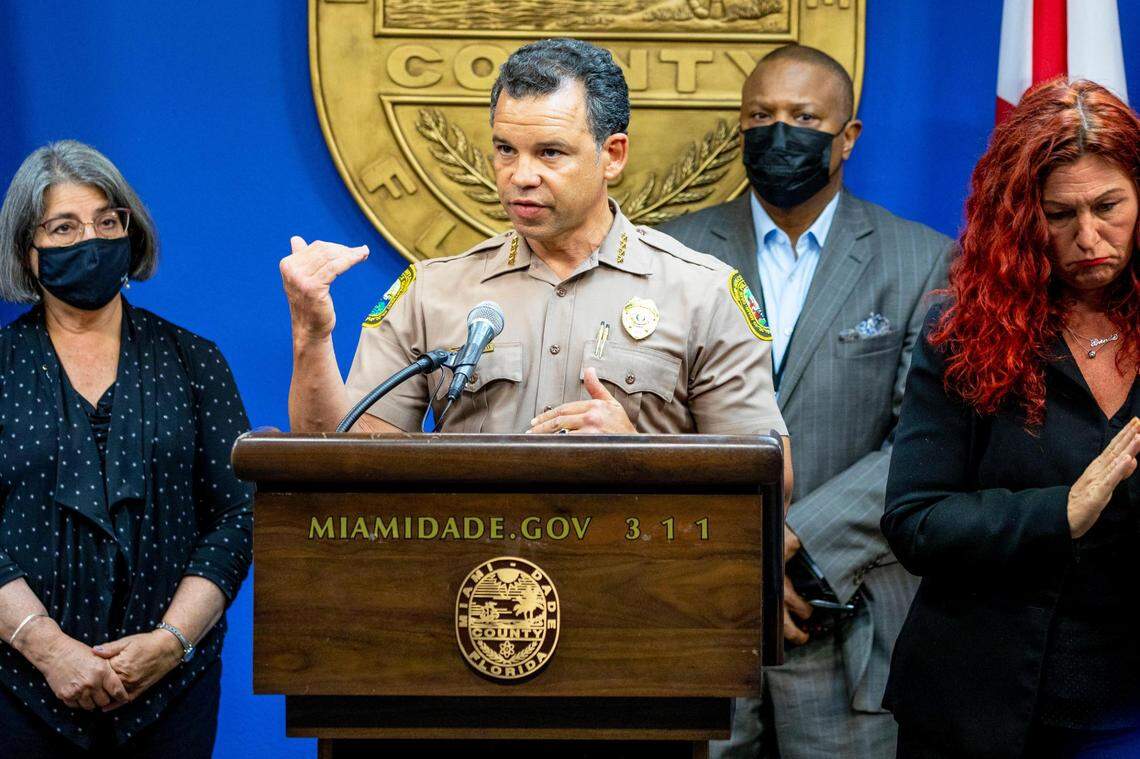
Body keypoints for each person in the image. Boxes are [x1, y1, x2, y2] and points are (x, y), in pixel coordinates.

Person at [281, 38, 788, 461]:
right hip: (470, 575)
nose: (520, 176)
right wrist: (311, 334)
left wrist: (639, 455)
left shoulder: (704, 292)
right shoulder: (434, 290)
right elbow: (339, 463)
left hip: (634, 575)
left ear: (611, 156)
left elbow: (770, 477)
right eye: (506, 149)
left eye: (550, 152)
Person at [659, 44, 952, 758]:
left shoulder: (922, 260)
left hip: (839, 615)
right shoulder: (669, 253)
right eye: (760, 115)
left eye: (802, 116)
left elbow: (920, 442)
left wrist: (792, 545)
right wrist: (738, 557)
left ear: (847, 137)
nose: (778, 131)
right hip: (700, 611)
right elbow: (652, 423)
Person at [883, 79, 1140, 758]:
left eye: (1108, 206)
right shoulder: (962, 332)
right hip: (981, 704)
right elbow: (916, 520)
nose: (1089, 237)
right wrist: (1061, 511)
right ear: (1023, 218)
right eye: (1060, 215)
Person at [0, 140, 253, 757]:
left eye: (107, 222)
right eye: (64, 227)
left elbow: (239, 513)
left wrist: (170, 640)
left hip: (172, 686)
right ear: (29, 254)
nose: (92, 240)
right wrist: (49, 648)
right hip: (18, 686)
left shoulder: (194, 360)